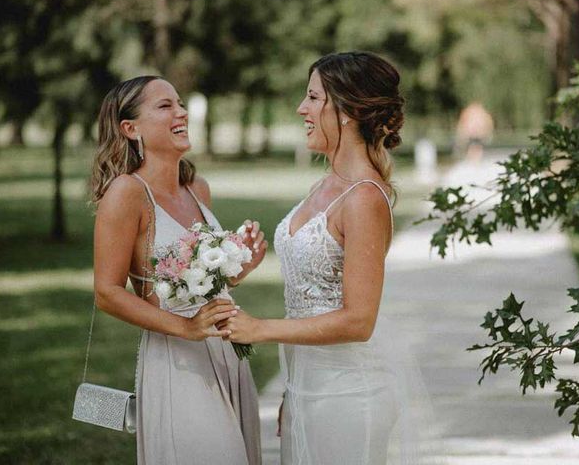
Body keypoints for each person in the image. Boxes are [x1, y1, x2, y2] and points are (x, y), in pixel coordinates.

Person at [220, 52, 433, 464]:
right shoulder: (327, 182)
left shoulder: (365, 199)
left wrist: (260, 328)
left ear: (348, 110)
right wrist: (291, 389)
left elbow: (359, 321)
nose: (302, 108)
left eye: (314, 98)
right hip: (306, 390)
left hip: (350, 396)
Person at [91, 76, 265, 465]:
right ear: (130, 128)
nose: (181, 112)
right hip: (177, 359)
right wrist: (187, 328)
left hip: (228, 353)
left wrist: (240, 268)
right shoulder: (126, 193)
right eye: (165, 106)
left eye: (180, 103)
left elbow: (201, 282)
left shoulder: (196, 188)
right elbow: (107, 291)